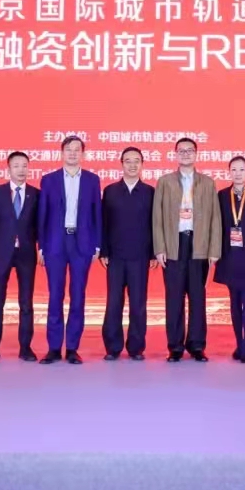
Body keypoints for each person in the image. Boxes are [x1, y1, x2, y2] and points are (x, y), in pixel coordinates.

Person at [152, 137, 222, 363]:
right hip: (173, 244)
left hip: (199, 244)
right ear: (175, 154)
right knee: (174, 297)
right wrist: (159, 248)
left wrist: (214, 249)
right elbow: (157, 218)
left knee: (197, 297)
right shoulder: (165, 182)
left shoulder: (207, 183)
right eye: (181, 150)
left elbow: (215, 218)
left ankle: (197, 345)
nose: (185, 154)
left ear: (196, 154)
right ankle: (175, 346)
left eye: (189, 150)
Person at [37, 135, 102, 365]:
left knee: (78, 296)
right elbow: (42, 214)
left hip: (81, 243)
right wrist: (41, 245)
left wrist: (97, 244)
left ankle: (72, 347)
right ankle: (54, 348)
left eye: (77, 150)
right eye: (68, 149)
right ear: (62, 153)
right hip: (55, 243)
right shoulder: (49, 180)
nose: (73, 153)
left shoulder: (92, 180)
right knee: (55, 295)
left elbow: (97, 213)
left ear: (83, 154)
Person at [0, 151, 40, 363]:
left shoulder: (36, 194)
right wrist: (2, 242)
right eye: (16, 166)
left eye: (24, 166)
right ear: (8, 169)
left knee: (26, 302)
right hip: (2, 253)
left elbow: (39, 225)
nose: (21, 170)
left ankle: (25, 347)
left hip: (26, 254)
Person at [100, 147, 155, 361]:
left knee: (138, 303)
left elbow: (155, 225)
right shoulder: (110, 191)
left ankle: (136, 347)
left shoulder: (150, 192)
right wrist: (104, 250)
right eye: (128, 161)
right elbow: (104, 223)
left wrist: (153, 253)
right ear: (121, 164)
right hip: (115, 256)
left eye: (136, 161)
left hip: (140, 256)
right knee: (114, 302)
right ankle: (113, 347)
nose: (132, 165)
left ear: (142, 164)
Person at [214, 156, 245, 364]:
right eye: (234, 169)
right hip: (229, 255)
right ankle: (238, 343)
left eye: (241, 169)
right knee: (234, 302)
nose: (237, 173)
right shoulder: (221, 195)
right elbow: (217, 226)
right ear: (229, 172)